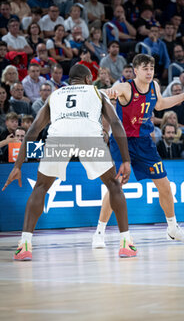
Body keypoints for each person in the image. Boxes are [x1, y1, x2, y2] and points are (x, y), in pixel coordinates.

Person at [2, 64, 137, 260]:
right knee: (113, 184)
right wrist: (126, 159)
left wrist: (17, 166)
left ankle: (24, 245)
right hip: (88, 135)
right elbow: (116, 123)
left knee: (40, 187)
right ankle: (126, 243)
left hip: (59, 137)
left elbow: (32, 131)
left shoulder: (55, 95)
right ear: (89, 79)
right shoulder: (96, 92)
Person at [92, 54, 184, 249]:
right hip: (122, 142)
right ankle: (99, 233)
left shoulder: (154, 86)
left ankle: (173, 229)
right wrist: (105, 92)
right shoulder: (125, 88)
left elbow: (160, 105)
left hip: (145, 144)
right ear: (136, 71)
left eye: (152, 68)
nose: (149, 72)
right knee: (116, 186)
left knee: (165, 186)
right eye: (145, 68)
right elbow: (106, 93)